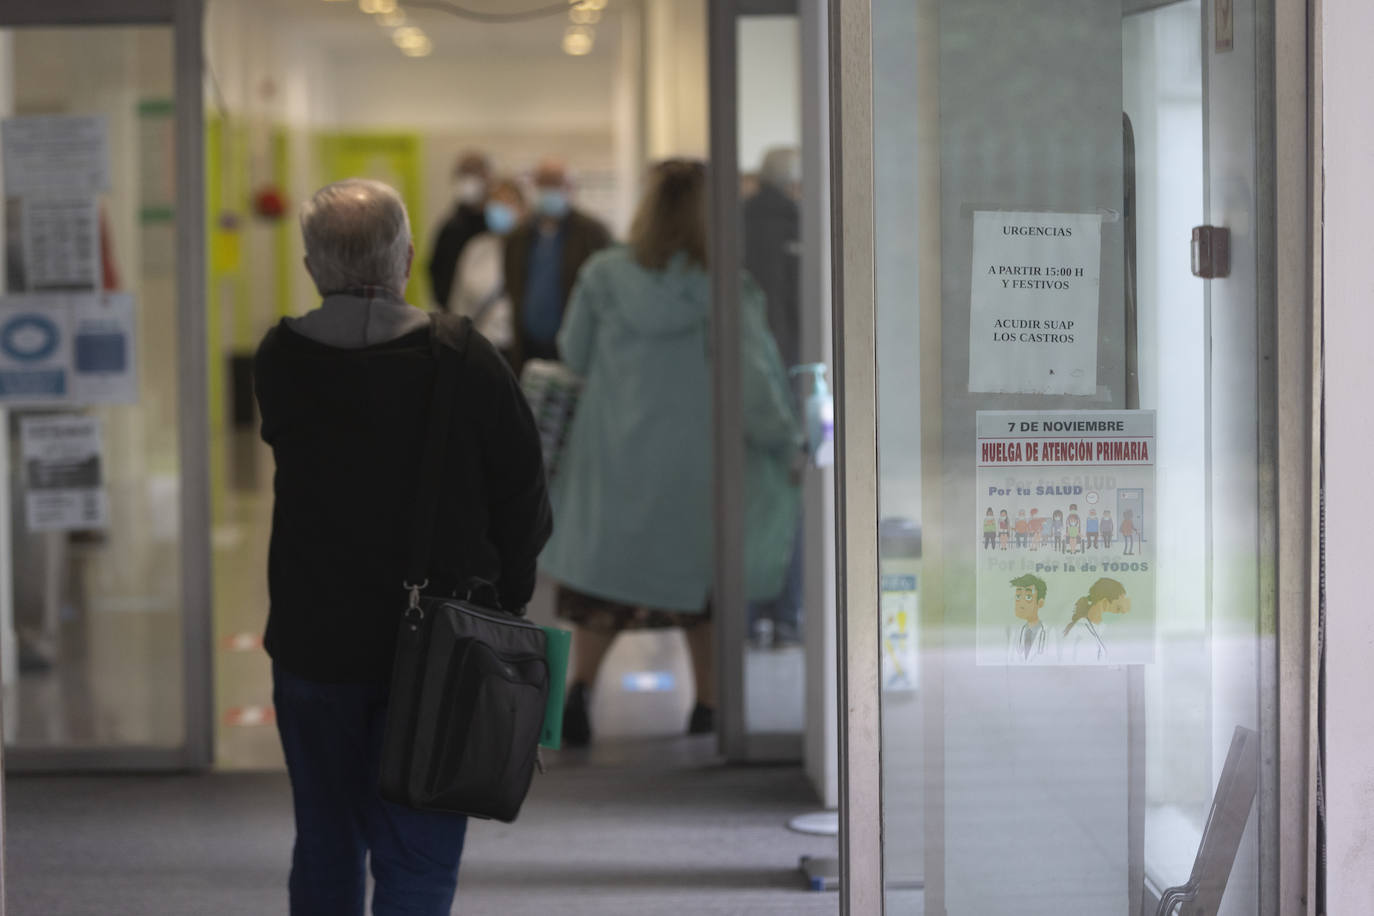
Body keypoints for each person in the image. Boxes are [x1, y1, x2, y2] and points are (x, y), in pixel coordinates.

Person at [254, 178, 552, 915]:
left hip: (312, 638)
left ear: (310, 264)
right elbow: (524, 496)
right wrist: (507, 597)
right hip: (442, 646)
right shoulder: (464, 357)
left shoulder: (280, 358)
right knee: (419, 852)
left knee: (324, 840)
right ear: (409, 256)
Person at [539, 160, 800, 747]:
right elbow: (754, 386)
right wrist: (786, 440)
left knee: (602, 589)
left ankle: (579, 693)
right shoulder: (728, 288)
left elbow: (572, 356)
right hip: (695, 471)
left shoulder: (603, 276)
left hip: (611, 462)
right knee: (699, 589)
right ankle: (707, 705)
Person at [503, 157, 612, 370]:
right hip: (527, 348)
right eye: (544, 183)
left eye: (556, 183)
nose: (549, 190)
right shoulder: (518, 237)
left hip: (575, 345)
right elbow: (512, 286)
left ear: (570, 187)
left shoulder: (592, 233)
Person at [448, 176, 526, 356]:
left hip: (517, 352)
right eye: (494, 202)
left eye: (507, 202)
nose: (499, 208)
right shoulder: (476, 248)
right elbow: (458, 302)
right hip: (479, 348)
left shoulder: (531, 250)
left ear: (522, 209)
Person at [742, 146, 802, 371]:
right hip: (790, 341)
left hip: (747, 338)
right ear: (792, 183)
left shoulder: (737, 218)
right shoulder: (795, 224)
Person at [427, 151, 491, 311]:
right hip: (455, 313)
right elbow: (435, 268)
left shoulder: (496, 223)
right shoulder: (450, 226)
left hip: (492, 317)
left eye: (474, 173)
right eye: (464, 174)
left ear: (487, 178)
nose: (468, 181)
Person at [1061, 577, 1131, 663]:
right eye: (1118, 608)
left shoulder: (1095, 629)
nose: (1120, 614)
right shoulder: (1081, 632)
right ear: (1105, 603)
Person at [1008, 573, 1049, 663]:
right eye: (1018, 596)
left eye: (1028, 597)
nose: (1021, 603)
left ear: (1040, 603)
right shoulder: (1015, 634)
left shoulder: (1049, 634)